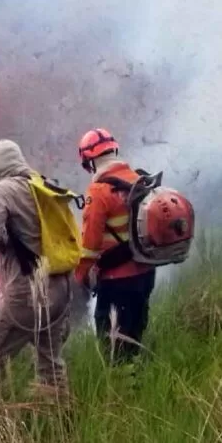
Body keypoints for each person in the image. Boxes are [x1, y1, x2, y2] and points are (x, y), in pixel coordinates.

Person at [0, 139, 72, 406]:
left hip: (26, 293)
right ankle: (60, 417)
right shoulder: (43, 185)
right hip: (60, 288)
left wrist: (6, 243)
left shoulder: (5, 190)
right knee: (51, 363)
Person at [74, 128, 156, 365]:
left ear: (90, 161)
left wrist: (79, 276)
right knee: (135, 332)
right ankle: (135, 375)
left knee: (110, 341)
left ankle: (121, 387)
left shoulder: (99, 192)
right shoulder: (137, 179)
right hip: (146, 272)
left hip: (117, 279)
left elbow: (90, 245)